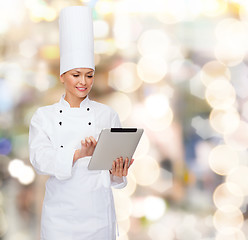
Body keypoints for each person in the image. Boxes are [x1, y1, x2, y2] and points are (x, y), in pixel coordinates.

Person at [28, 6, 133, 240]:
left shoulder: (108, 114)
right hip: (60, 219)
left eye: (89, 75)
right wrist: (78, 154)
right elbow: (40, 161)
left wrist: (118, 171)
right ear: (62, 76)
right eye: (76, 75)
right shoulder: (44, 117)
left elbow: (113, 175)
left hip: (99, 218)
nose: (83, 82)